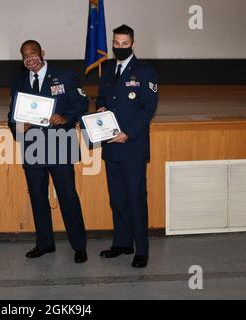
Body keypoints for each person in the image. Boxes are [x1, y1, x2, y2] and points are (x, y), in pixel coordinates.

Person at [8, 40, 89, 263]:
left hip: (60, 143)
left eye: (33, 52)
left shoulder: (64, 74)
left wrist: (66, 118)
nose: (30, 58)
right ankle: (44, 244)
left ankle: (79, 246)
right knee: (37, 198)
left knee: (68, 197)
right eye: (25, 55)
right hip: (32, 146)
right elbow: (11, 116)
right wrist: (18, 126)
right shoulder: (18, 81)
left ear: (42, 53)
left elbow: (81, 103)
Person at [96, 25, 158, 268]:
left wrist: (128, 133)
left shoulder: (145, 71)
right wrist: (100, 107)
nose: (119, 47)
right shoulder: (108, 70)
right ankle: (122, 243)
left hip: (132, 146)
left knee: (135, 198)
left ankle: (141, 249)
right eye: (116, 43)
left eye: (124, 43)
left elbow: (148, 107)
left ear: (132, 44)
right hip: (111, 145)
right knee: (117, 198)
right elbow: (102, 97)